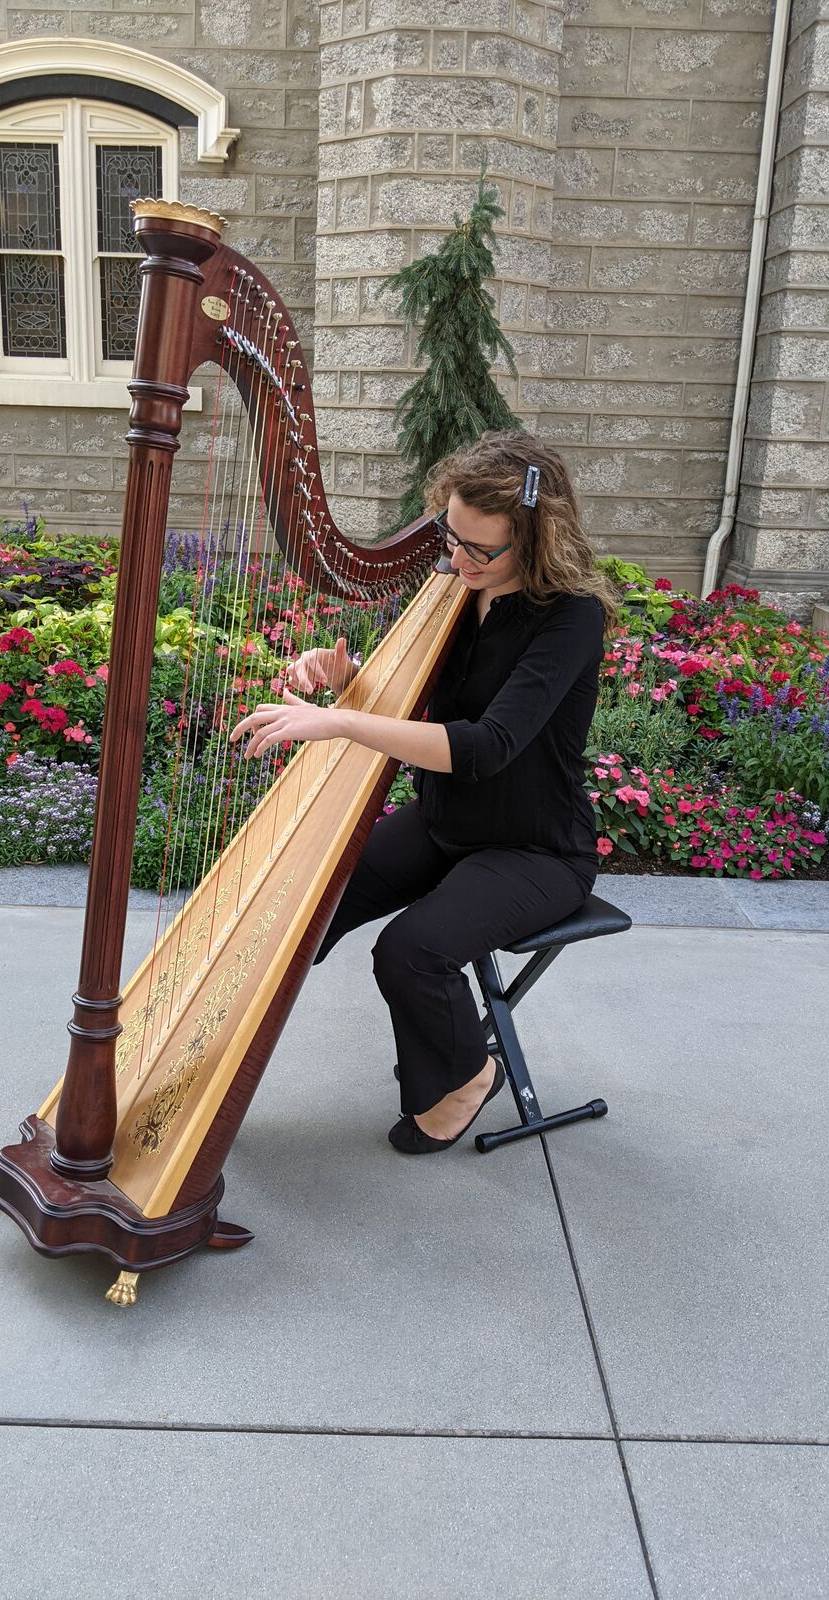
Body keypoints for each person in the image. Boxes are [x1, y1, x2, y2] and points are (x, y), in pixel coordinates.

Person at [230, 431, 615, 1154]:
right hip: (446, 821)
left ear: (534, 541)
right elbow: (418, 703)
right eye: (452, 536)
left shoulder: (570, 619)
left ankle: (472, 1074)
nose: (458, 558)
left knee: (410, 951)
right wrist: (344, 681)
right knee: (298, 894)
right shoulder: (453, 594)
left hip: (534, 847)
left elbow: (486, 746)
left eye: (480, 549)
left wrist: (339, 721)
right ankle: (217, 1056)